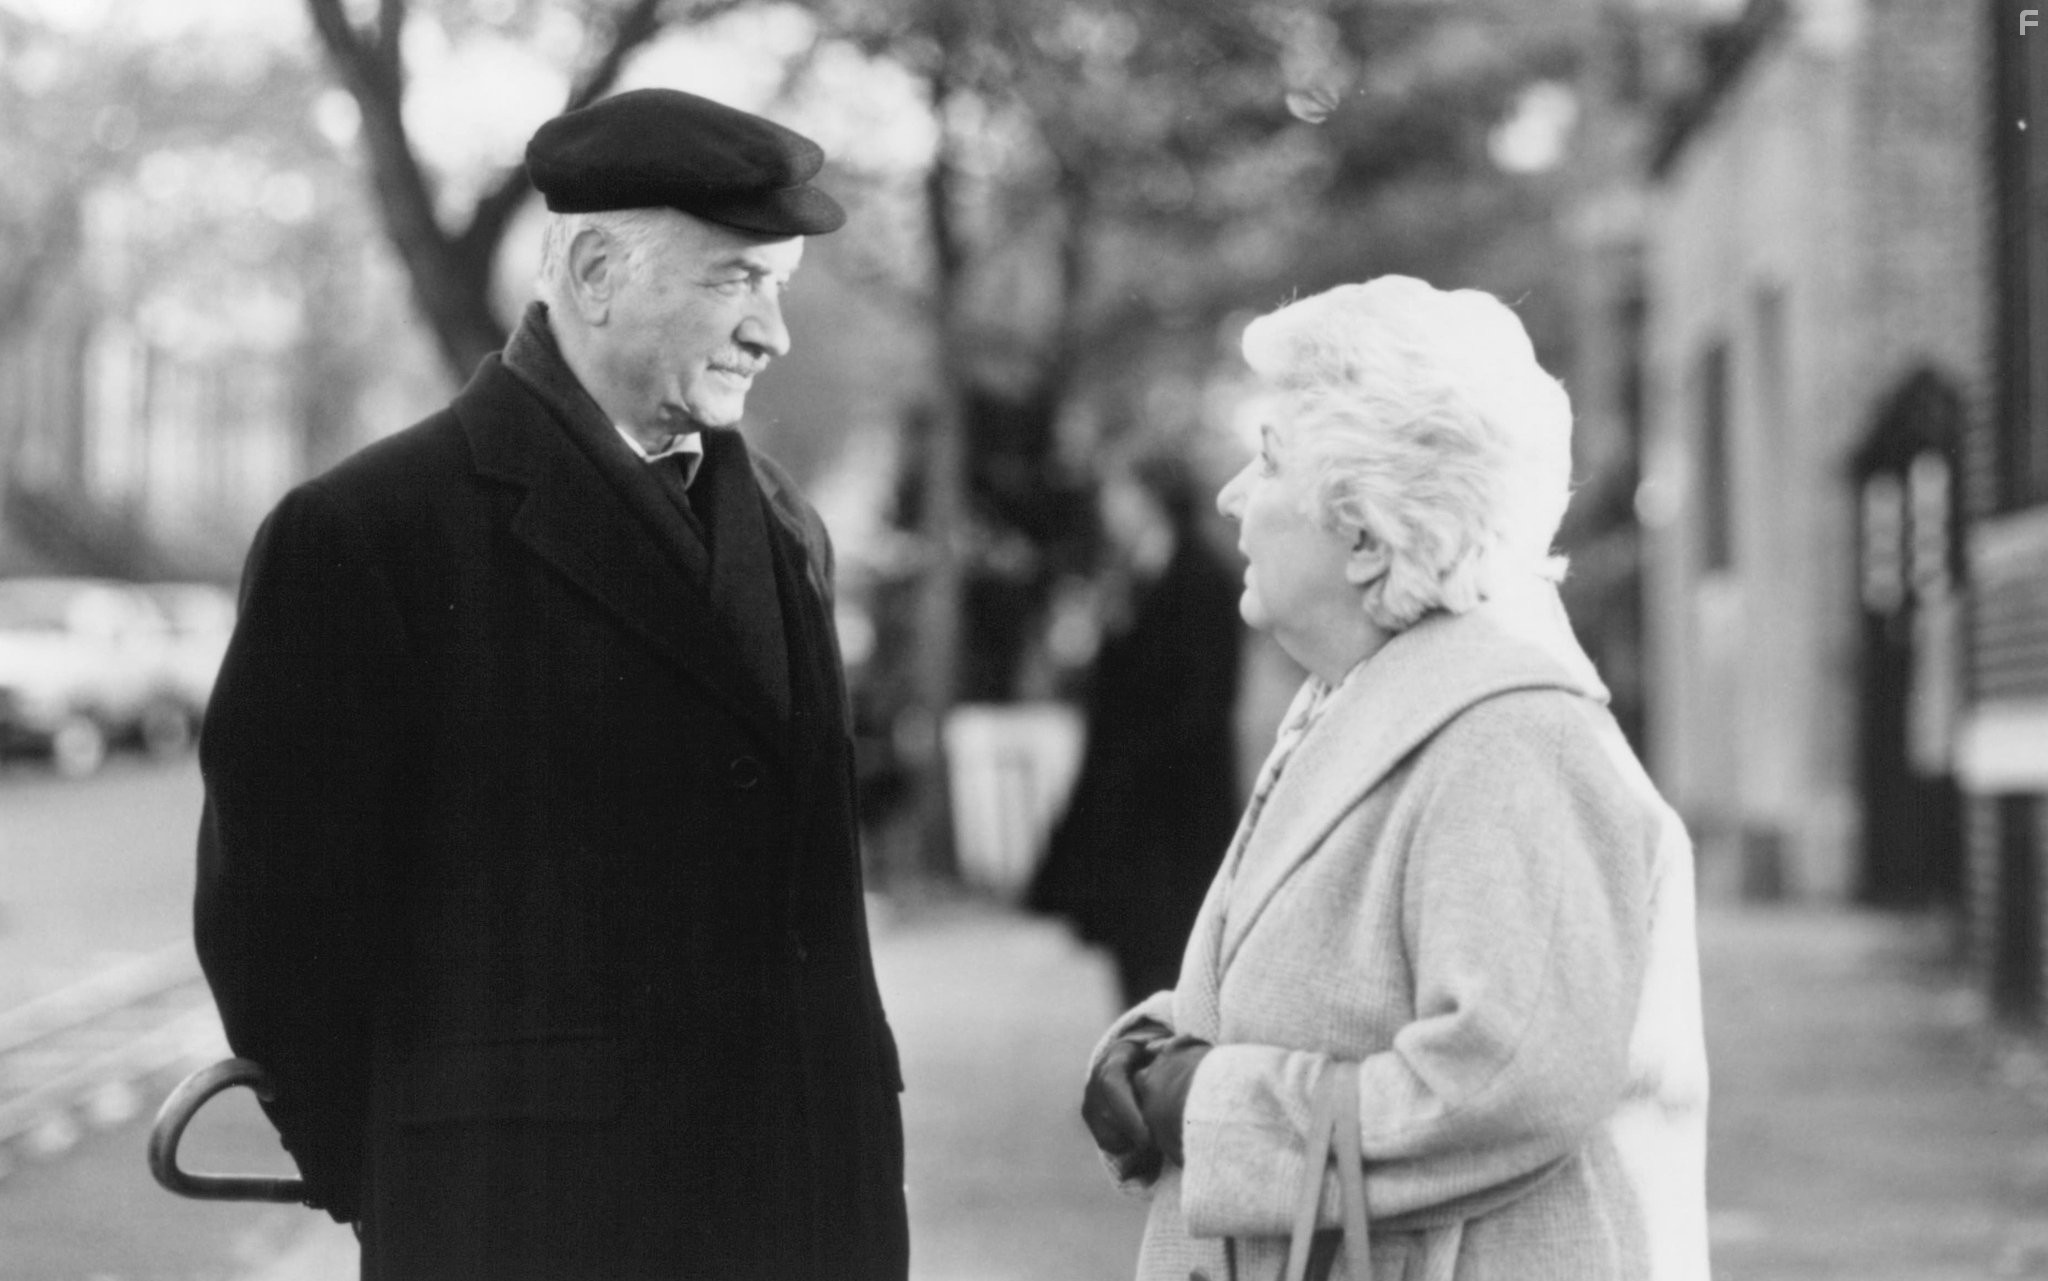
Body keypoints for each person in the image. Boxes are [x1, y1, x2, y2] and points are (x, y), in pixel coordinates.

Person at [193, 88, 908, 1281]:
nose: (771, 333)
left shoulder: (786, 524)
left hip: (802, 1211)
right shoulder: (367, 531)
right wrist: (396, 1180)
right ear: (590, 270)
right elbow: (277, 923)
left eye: (777, 286)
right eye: (736, 280)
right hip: (525, 1225)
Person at [1078, 277, 1709, 1281]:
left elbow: (1506, 1077)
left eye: (1267, 459)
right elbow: (1341, 991)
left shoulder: (1510, 739)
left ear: (1365, 533)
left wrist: (1207, 1103)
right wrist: (1158, 1049)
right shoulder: (1372, 695)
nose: (1233, 495)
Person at [1027, 454, 1244, 1008]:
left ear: (1149, 495)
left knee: (1171, 963)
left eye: (1120, 493)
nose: (1109, 508)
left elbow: (1203, 698)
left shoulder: (1204, 577)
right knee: (1133, 959)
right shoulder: (1132, 573)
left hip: (1178, 808)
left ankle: (1164, 1087)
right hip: (1132, 812)